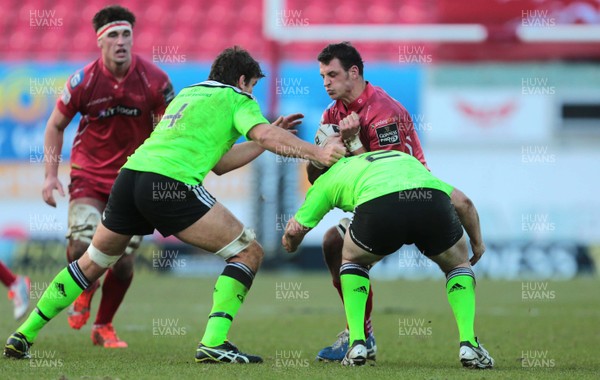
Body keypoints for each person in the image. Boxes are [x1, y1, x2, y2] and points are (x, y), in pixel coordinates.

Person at [4, 46, 346, 363]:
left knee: (92, 262)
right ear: (242, 81)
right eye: (253, 86)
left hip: (130, 177)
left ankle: (24, 333)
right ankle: (213, 343)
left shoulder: (190, 93)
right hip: (168, 183)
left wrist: (264, 139)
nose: (252, 94)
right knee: (248, 252)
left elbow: (222, 162)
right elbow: (263, 134)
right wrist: (317, 151)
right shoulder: (237, 98)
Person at [284, 150, 494, 369]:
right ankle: (469, 343)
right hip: (430, 201)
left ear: (318, 172)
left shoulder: (326, 180)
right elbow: (464, 203)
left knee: (352, 261)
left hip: (380, 210)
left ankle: (357, 342)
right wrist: (477, 243)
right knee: (458, 264)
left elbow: (295, 231)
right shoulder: (401, 158)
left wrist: (290, 245)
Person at [41, 5, 174, 348]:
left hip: (132, 178)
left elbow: (170, 133)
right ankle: (85, 289)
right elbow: (55, 125)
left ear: (133, 38)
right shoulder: (83, 80)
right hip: (89, 173)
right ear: (100, 42)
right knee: (80, 245)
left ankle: (103, 325)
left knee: (125, 264)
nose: (121, 41)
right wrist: (50, 175)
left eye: (126, 34)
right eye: (113, 35)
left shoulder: (155, 81)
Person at [308, 41, 428, 362]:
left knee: (344, 247)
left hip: (411, 199)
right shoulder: (332, 113)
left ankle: (467, 341)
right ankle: (360, 333)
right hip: (376, 203)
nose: (326, 83)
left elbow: (386, 179)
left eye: (332, 75)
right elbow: (314, 175)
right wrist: (321, 155)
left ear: (354, 72)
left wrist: (353, 142)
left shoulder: (385, 112)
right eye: (322, 76)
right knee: (334, 243)